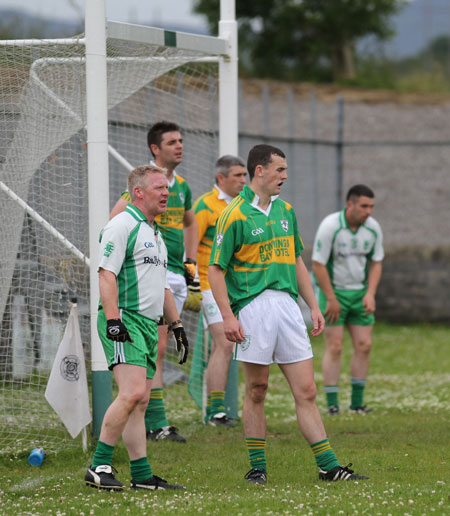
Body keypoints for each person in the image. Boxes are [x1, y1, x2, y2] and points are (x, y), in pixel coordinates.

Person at [208, 144, 368, 484]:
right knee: (257, 389)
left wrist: (312, 305)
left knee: (307, 390)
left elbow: (296, 260)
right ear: (260, 171)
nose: (285, 175)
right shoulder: (233, 214)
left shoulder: (286, 211)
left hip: (287, 307)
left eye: (285, 169)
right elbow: (216, 270)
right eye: (279, 169)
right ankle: (257, 467)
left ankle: (329, 467)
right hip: (252, 308)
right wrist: (228, 316)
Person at [85, 165, 189, 491]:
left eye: (167, 189)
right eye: (159, 187)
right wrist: (114, 321)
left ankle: (142, 475)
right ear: (139, 192)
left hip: (148, 323)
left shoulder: (156, 233)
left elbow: (164, 288)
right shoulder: (122, 225)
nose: (166, 193)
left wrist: (177, 324)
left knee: (140, 401)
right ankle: (99, 466)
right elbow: (106, 274)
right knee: (131, 393)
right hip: (125, 319)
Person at [110, 121, 198, 443]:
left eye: (181, 140)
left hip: (173, 271)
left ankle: (150, 419)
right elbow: (117, 219)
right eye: (172, 141)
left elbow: (191, 222)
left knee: (161, 347)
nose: (180, 146)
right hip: (151, 275)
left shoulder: (183, 187)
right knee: (158, 348)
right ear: (155, 149)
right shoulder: (145, 185)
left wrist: (191, 260)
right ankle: (155, 422)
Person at [312, 184, 384, 415]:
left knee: (365, 345)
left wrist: (370, 293)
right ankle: (333, 405)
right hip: (334, 292)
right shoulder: (330, 226)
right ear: (350, 204)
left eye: (372, 206)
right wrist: (331, 298)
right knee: (335, 346)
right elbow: (318, 264)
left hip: (360, 294)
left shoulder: (373, 229)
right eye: (364, 206)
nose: (369, 211)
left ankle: (357, 404)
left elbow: (376, 262)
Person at [193, 155, 247, 427]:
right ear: (221, 178)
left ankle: (224, 408)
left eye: (244, 175)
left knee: (234, 343)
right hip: (207, 284)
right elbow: (188, 244)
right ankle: (215, 411)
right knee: (224, 343)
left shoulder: (245, 206)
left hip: (234, 287)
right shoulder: (205, 206)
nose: (243, 180)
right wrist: (192, 283)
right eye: (237, 175)